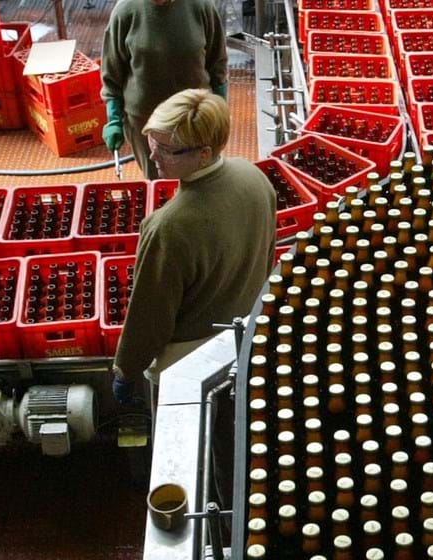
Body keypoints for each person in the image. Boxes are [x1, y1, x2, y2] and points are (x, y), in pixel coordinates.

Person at [111, 88, 276, 415]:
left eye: (167, 150)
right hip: (248, 335)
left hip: (190, 359)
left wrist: (126, 371)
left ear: (203, 153)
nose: (153, 156)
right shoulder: (253, 176)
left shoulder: (169, 227)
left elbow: (150, 316)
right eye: (152, 143)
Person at [100, 0, 229, 180]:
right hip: (146, 123)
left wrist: (221, 111)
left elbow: (218, 64)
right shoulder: (126, 10)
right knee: (159, 184)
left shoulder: (201, 6)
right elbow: (112, 74)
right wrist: (113, 119)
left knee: (201, 181)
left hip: (195, 119)